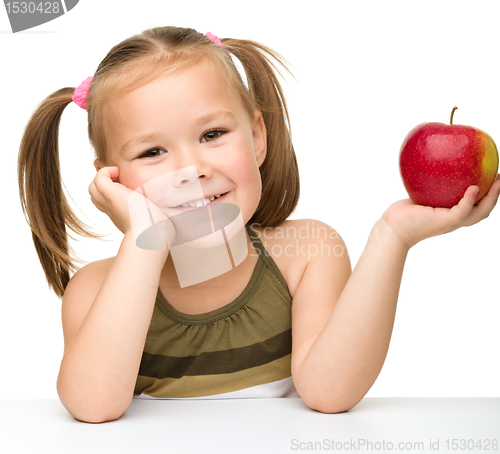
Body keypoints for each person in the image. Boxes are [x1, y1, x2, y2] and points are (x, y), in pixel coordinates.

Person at [18, 26, 500, 424]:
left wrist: (393, 235)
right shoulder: (97, 290)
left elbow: (330, 392)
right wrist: (144, 241)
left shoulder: (305, 255)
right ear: (111, 178)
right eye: (152, 151)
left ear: (257, 138)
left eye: (212, 134)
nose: (191, 168)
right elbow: (93, 407)